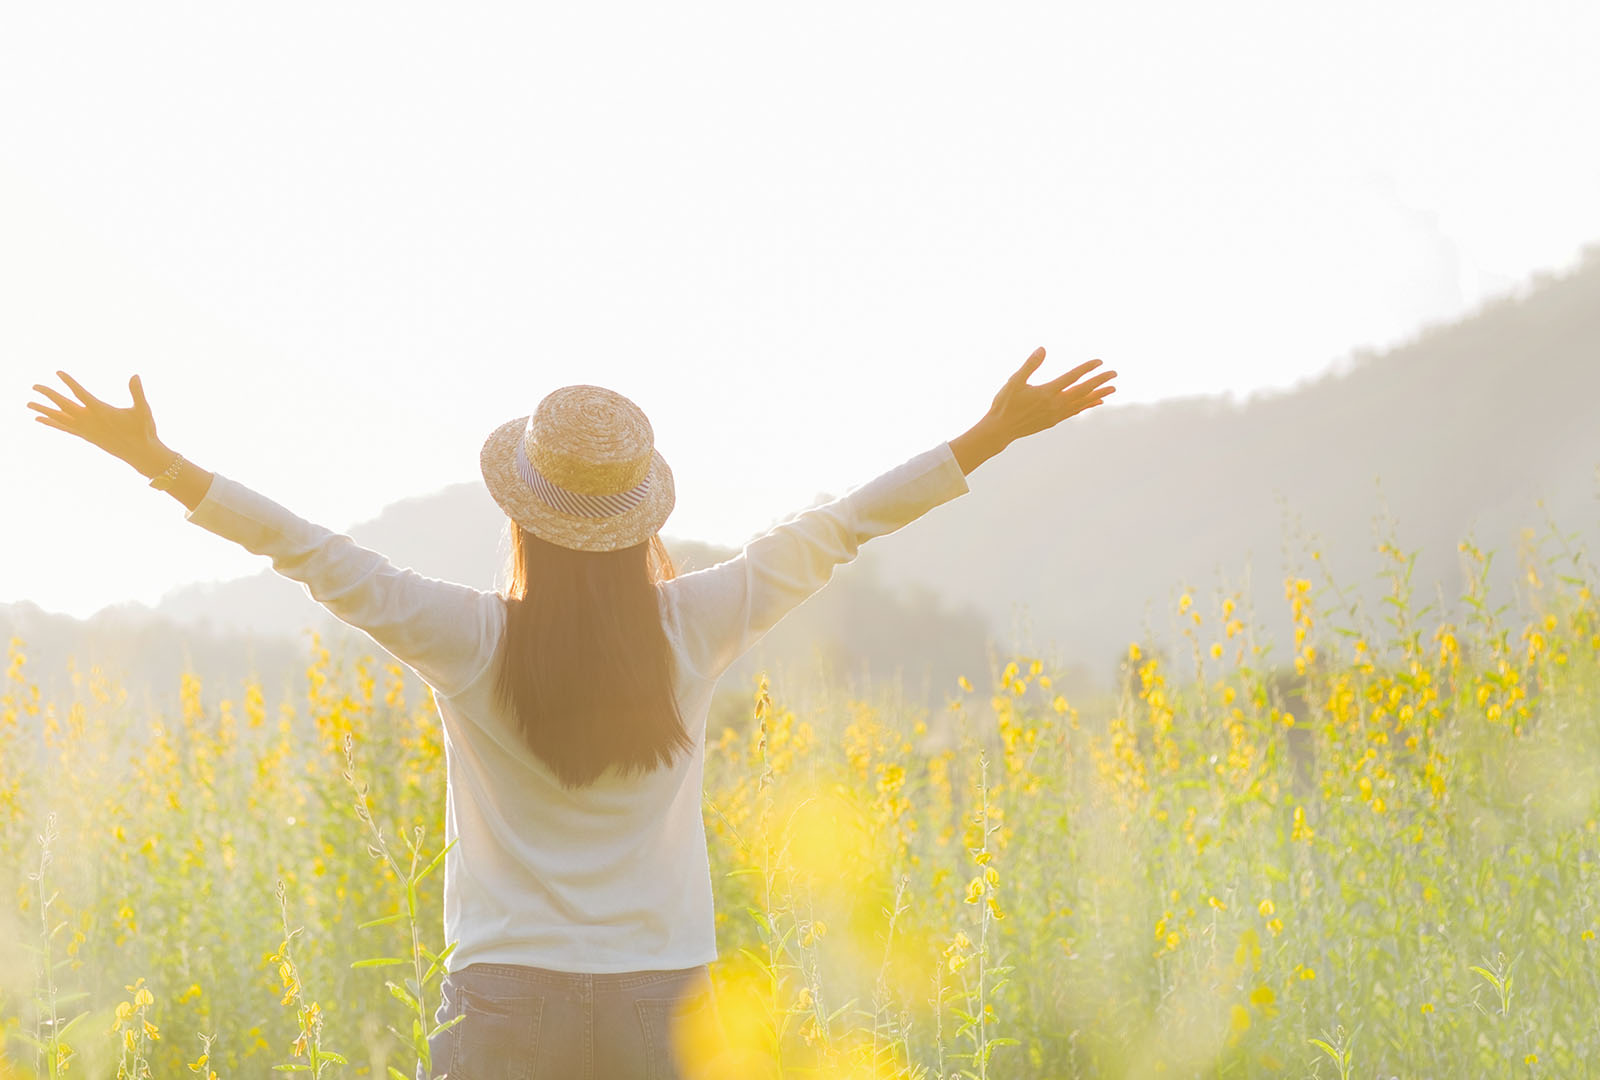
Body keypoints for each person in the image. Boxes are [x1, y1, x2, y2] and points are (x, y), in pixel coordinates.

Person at [26, 347, 1116, 1079]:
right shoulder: (698, 620)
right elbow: (839, 527)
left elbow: (312, 553)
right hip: (666, 1009)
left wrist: (159, 462)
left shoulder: (466, 636)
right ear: (641, 517)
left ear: (523, 513)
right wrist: (989, 434)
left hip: (502, 1009)